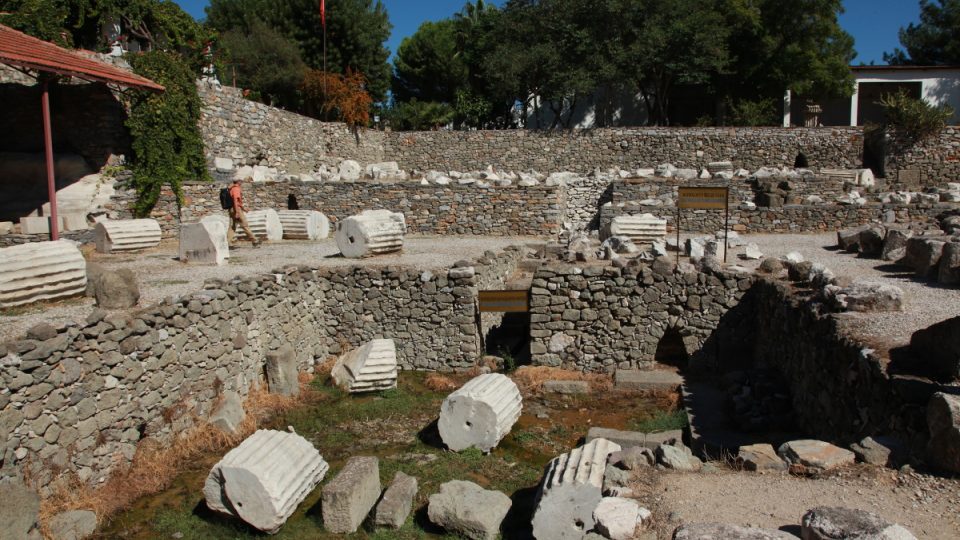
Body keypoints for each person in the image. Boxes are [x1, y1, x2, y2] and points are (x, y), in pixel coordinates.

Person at [228, 178, 260, 247]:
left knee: (232, 226)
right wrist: (237, 212)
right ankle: (255, 240)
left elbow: (237, 202)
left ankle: (228, 243)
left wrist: (244, 209)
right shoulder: (236, 189)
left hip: (232, 209)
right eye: (241, 181)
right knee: (245, 225)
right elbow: (235, 201)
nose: (242, 182)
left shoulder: (231, 189)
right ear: (238, 181)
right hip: (236, 209)